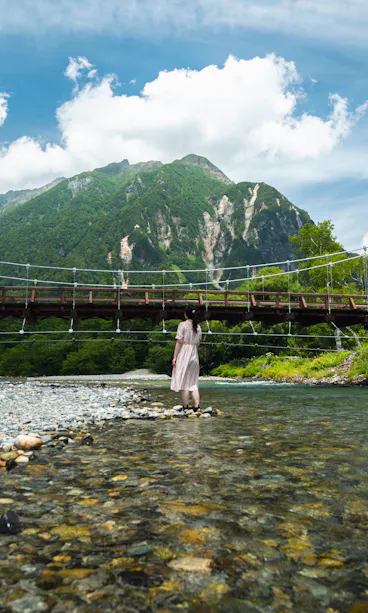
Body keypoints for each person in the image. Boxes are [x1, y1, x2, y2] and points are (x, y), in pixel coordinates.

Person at [171, 305, 202, 413]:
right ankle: (197, 407)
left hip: (184, 353)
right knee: (193, 382)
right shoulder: (198, 327)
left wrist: (175, 357)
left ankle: (185, 407)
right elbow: (197, 344)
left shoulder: (182, 325)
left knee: (184, 382)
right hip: (194, 354)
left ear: (185, 314)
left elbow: (179, 342)